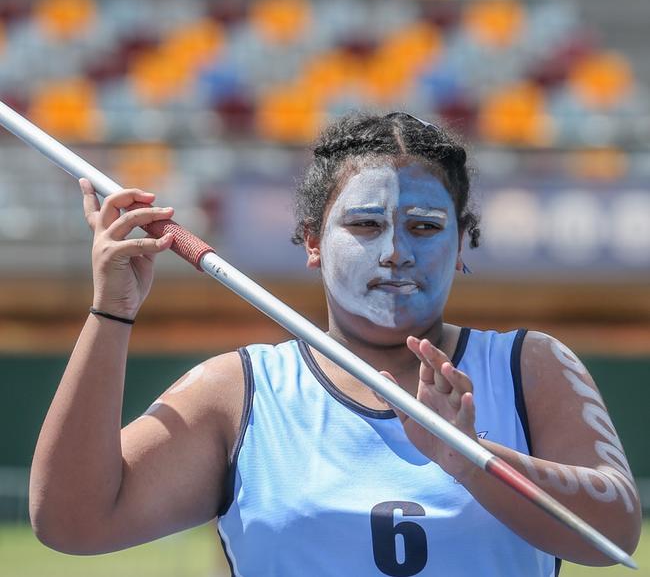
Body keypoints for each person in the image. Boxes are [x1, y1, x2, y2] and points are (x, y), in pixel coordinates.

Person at [29, 112, 640, 576]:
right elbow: (71, 520)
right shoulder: (238, 391)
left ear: (461, 247)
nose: (396, 250)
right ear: (312, 241)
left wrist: (469, 457)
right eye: (365, 224)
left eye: (425, 227)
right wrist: (111, 312)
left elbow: (615, 532)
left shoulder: (527, 367)